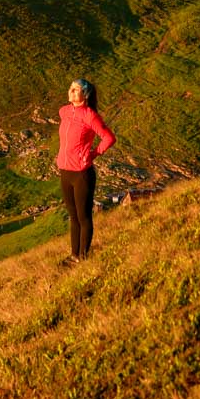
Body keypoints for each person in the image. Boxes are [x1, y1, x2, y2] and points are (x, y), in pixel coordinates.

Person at [57, 77, 115, 263]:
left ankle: (83, 257)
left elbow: (108, 138)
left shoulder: (90, 115)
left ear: (85, 95)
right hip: (65, 172)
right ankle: (74, 255)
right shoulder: (64, 112)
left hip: (82, 173)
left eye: (76, 90)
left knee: (83, 216)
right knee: (73, 216)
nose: (71, 91)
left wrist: (93, 154)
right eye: (71, 88)